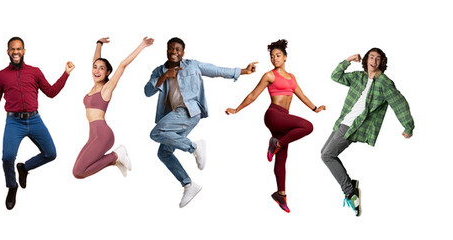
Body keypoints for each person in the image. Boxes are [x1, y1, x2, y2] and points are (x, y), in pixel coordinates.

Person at [144, 37, 257, 208]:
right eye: (171, 49)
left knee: (156, 133)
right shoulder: (159, 71)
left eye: (178, 49)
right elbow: (147, 91)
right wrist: (164, 76)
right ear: (166, 50)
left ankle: (193, 147)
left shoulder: (193, 65)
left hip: (190, 110)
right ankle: (188, 185)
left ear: (183, 52)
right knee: (164, 153)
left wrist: (243, 71)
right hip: (174, 117)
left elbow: (216, 70)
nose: (174, 52)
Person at [0, 36, 75, 210]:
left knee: (51, 153)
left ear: (24, 51)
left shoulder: (35, 71)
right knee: (7, 157)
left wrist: (66, 73)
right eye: (12, 49)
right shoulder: (1, 75)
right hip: (14, 122)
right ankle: (12, 186)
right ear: (8, 52)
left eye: (19, 49)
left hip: (34, 119)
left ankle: (24, 168)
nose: (15, 52)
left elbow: (51, 92)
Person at [224, 39, 325, 213]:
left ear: (285, 57)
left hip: (284, 119)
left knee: (282, 158)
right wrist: (236, 109)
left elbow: (302, 95)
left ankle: (281, 194)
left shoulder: (292, 78)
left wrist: (315, 108)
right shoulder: (269, 75)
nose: (275, 59)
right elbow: (253, 94)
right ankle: (275, 144)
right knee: (307, 127)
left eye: (278, 55)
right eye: (272, 56)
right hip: (273, 115)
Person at [321, 48, 414, 217]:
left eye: (378, 59)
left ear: (382, 62)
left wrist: (408, 126)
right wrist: (347, 60)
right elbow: (336, 76)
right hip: (342, 121)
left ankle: (350, 192)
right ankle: (351, 184)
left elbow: (399, 103)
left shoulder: (385, 83)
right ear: (366, 59)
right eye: (371, 57)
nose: (374, 61)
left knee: (327, 155)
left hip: (355, 126)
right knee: (325, 153)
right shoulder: (359, 76)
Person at [72, 37, 153, 179]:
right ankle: (115, 160)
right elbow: (96, 60)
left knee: (79, 172)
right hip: (93, 135)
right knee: (77, 171)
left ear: (108, 72)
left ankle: (117, 154)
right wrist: (99, 43)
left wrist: (142, 45)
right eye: (95, 67)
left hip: (103, 135)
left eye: (101, 69)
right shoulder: (93, 86)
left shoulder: (106, 89)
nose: (97, 70)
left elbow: (122, 65)